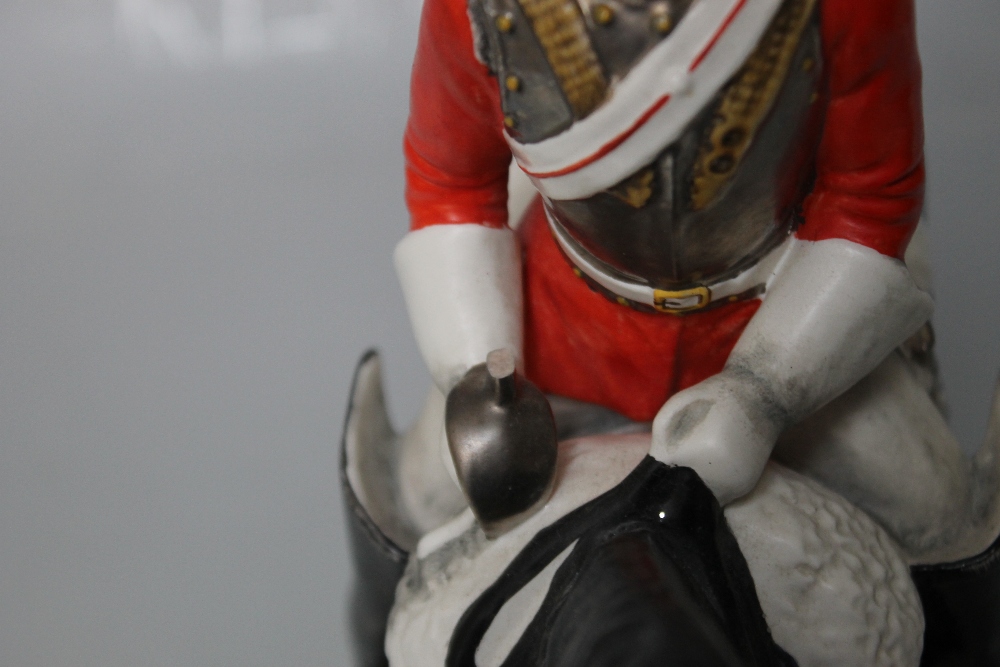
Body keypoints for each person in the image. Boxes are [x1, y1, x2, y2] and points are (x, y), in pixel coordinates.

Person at [394, 0, 1000, 566]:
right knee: (418, 500)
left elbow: (871, 198)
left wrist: (764, 392)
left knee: (938, 518)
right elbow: (451, 183)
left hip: (778, 316)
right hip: (561, 325)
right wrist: (477, 368)